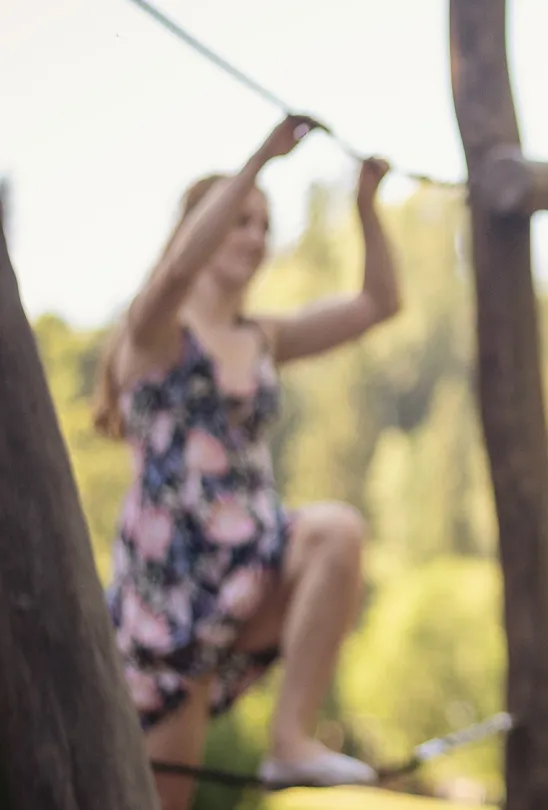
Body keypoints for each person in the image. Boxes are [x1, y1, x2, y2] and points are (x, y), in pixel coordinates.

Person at [91, 113, 401, 807]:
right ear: (199, 230)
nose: (257, 237)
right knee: (156, 798)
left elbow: (380, 303)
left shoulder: (264, 337)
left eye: (264, 225)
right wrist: (261, 158)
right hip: (171, 593)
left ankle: (290, 741)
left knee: (337, 532)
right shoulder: (152, 333)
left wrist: (366, 207)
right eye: (241, 221)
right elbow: (174, 272)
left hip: (251, 565)